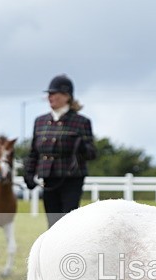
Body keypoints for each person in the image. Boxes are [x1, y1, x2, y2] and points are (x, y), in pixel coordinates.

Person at [24, 74, 97, 227]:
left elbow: (91, 153)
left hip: (71, 178)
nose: (50, 97)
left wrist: (82, 147)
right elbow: (34, 152)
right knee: (52, 223)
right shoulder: (40, 121)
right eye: (49, 94)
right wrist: (29, 173)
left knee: (68, 222)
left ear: (66, 96)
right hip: (49, 178)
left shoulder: (81, 122)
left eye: (53, 93)